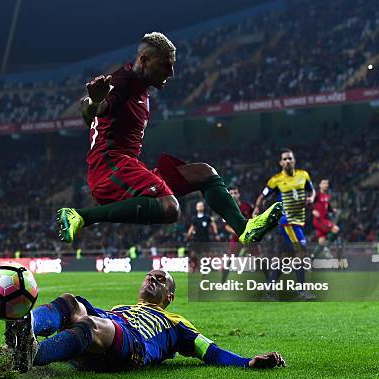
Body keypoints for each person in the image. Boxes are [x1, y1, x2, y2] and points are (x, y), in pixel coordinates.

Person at [56, 32, 283, 247]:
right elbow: (93, 109)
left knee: (205, 173)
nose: (171, 72)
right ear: (145, 60)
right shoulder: (122, 82)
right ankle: (80, 216)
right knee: (169, 208)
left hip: (128, 167)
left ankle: (244, 229)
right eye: (166, 64)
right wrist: (94, 102)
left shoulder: (141, 89)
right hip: (109, 169)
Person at [0, 269, 285, 373]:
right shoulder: (123, 307)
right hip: (109, 329)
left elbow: (210, 351)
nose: (152, 279)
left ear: (169, 296)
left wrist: (247, 362)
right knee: (72, 301)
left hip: (132, 346)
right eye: (150, 276)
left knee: (92, 326)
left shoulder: (176, 322)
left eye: (160, 280)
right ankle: (25, 326)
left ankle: (31, 355)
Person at [254, 148, 316, 300]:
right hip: (287, 222)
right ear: (280, 163)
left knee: (285, 259)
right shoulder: (276, 180)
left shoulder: (303, 175)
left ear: (294, 160)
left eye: (290, 158)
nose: (288, 161)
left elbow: (312, 191)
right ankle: (302, 292)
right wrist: (257, 212)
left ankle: (268, 291)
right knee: (301, 254)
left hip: (299, 222)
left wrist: (311, 198)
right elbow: (262, 197)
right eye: (285, 159)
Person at [311, 179, 340, 259]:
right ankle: (327, 248)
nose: (326, 185)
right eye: (324, 183)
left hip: (323, 220)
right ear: (320, 185)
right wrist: (313, 210)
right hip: (319, 220)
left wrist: (332, 210)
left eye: (327, 183)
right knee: (336, 229)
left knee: (321, 243)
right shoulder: (317, 194)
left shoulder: (327, 196)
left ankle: (309, 261)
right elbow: (309, 202)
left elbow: (327, 207)